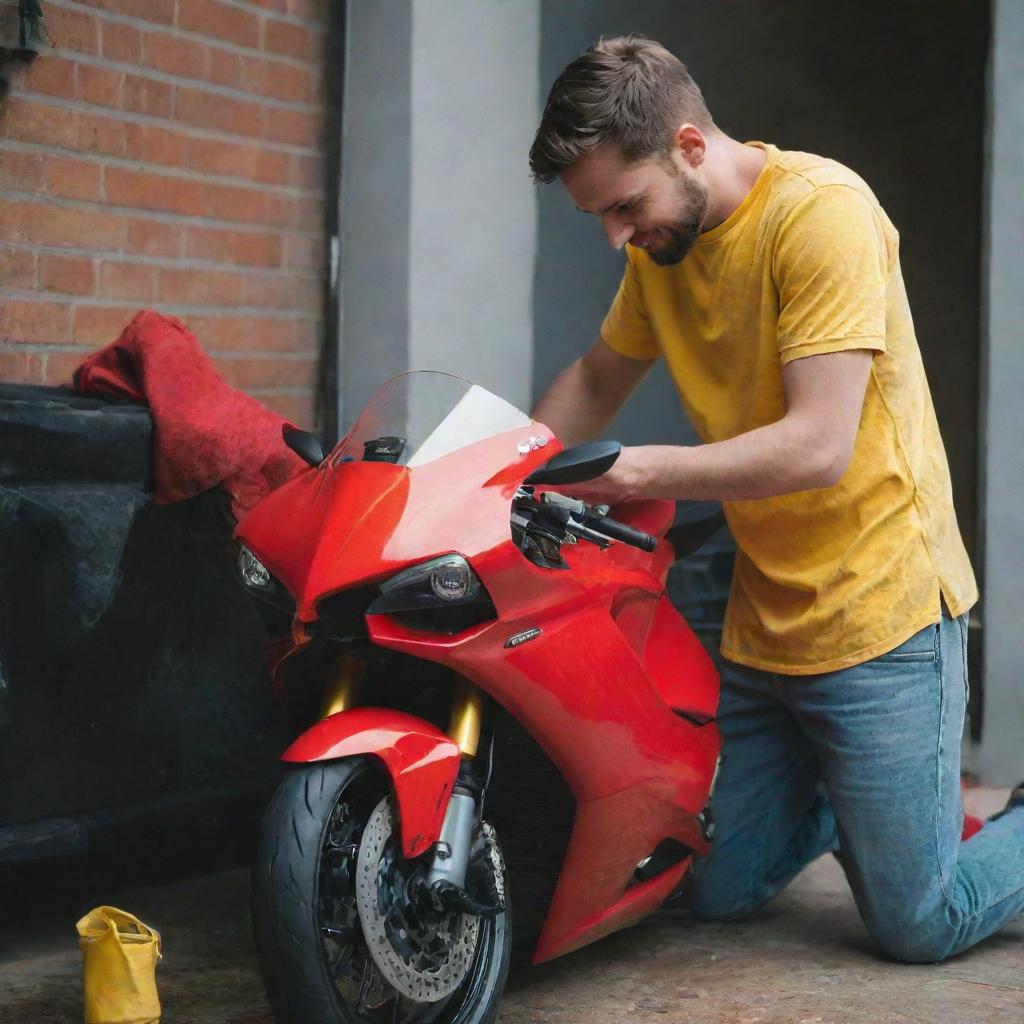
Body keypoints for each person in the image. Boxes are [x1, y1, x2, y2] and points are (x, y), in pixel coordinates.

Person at [528, 34, 1024, 963]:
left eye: (623, 207)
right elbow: (597, 378)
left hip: (884, 620)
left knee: (920, 923)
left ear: (687, 146)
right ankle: (866, 799)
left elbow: (817, 447)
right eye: (598, 216)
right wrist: (502, 470)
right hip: (768, 622)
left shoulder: (822, 216)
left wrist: (631, 471)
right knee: (711, 891)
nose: (615, 237)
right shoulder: (660, 252)